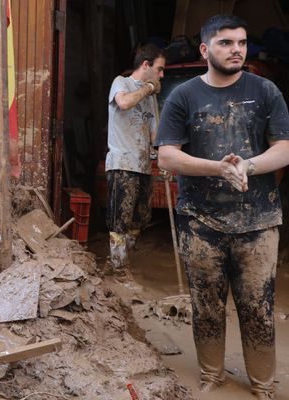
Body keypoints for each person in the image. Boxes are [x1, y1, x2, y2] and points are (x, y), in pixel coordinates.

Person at [157, 14, 289, 400]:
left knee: (258, 306)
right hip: (200, 222)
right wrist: (218, 168)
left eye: (242, 43)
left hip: (259, 222)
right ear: (205, 49)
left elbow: (284, 147)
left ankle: (263, 384)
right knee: (207, 305)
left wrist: (247, 165)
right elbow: (167, 156)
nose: (236, 50)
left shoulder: (266, 91)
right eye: (226, 43)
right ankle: (212, 375)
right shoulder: (183, 96)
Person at [106, 44, 165, 278]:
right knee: (119, 219)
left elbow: (154, 135)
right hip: (122, 163)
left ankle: (121, 261)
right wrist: (148, 87)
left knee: (140, 219)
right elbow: (124, 103)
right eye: (159, 69)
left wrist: (163, 156)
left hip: (143, 166)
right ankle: (119, 270)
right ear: (145, 65)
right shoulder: (121, 83)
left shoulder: (151, 99)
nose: (161, 75)